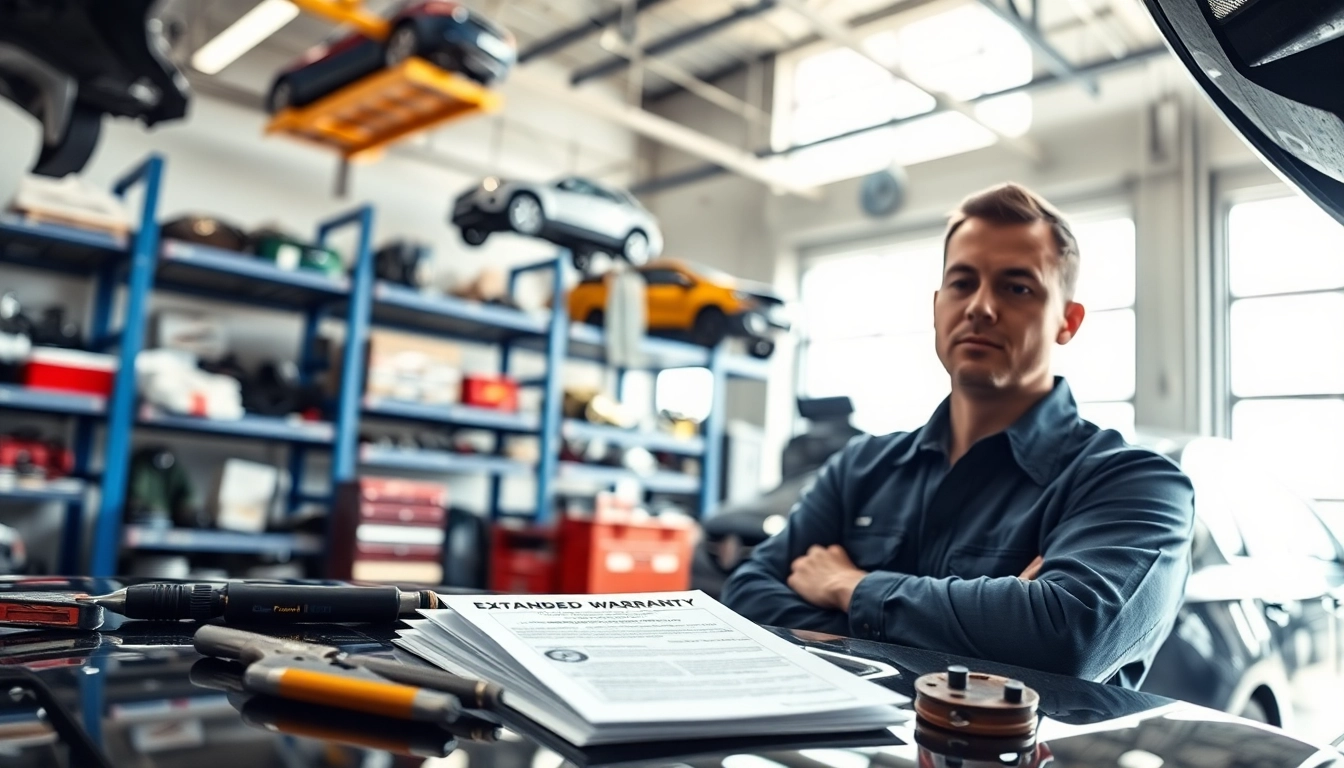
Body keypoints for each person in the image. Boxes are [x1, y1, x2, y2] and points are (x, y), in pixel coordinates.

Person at [721, 183, 1194, 688]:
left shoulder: (1135, 483)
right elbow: (747, 596)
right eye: (963, 283)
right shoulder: (860, 467)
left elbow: (1068, 639)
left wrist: (850, 587)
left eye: (1017, 287)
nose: (980, 308)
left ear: (1067, 320)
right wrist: (992, 628)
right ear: (937, 304)